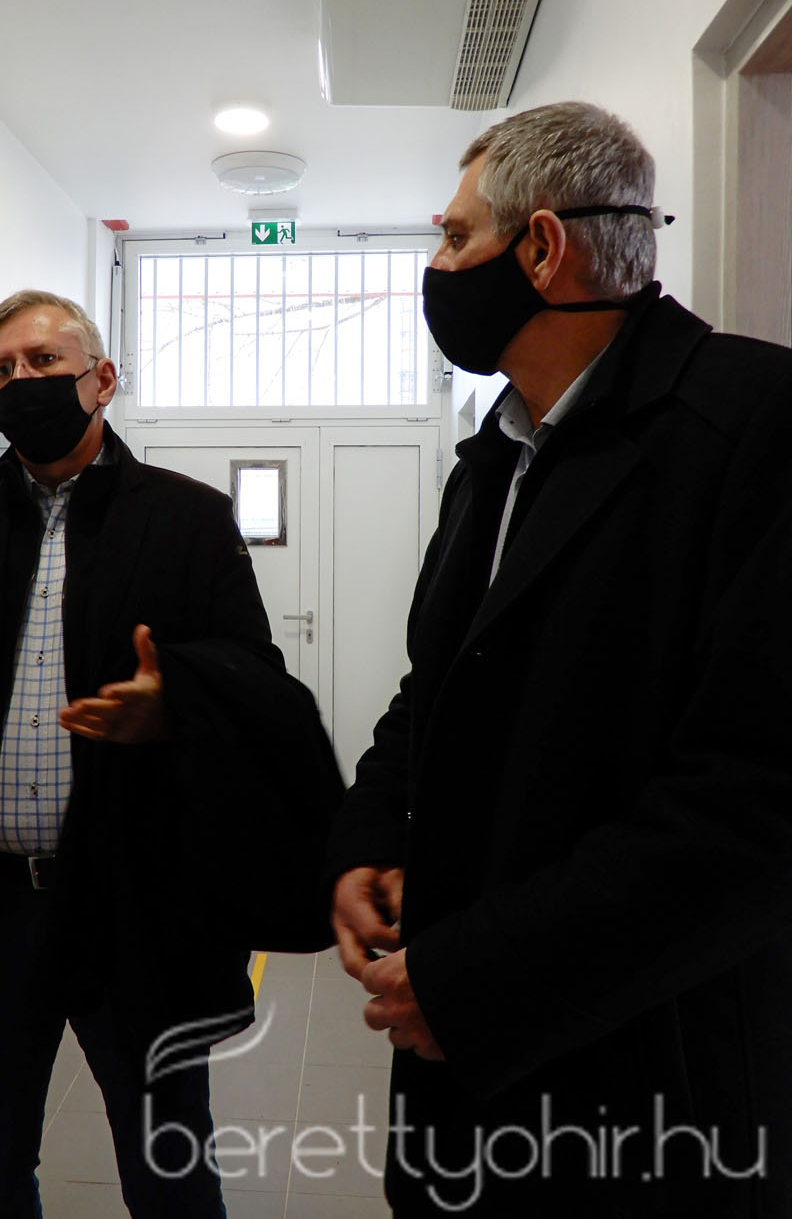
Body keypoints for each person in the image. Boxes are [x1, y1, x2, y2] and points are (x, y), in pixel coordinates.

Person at [327, 101, 792, 1218]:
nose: (438, 267)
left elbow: (754, 802)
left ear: (541, 248)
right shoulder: (493, 453)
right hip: (464, 1073)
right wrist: (368, 837)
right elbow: (434, 684)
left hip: (651, 1081)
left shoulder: (754, 424)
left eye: (454, 236)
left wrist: (481, 979)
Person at [0, 289, 342, 1218]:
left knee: (170, 1176)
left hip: (133, 910)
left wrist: (175, 700)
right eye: (2, 370)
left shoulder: (189, 520)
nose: (21, 381)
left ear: (101, 379)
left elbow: (258, 679)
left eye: (43, 361)